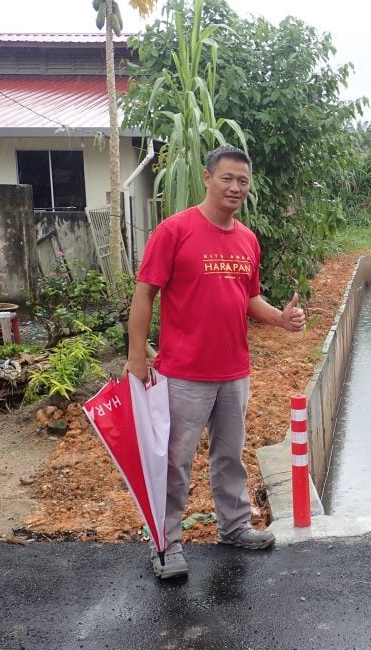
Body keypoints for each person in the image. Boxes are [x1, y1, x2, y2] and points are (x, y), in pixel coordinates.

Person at [125, 145, 306, 579]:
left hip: (233, 371)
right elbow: (145, 293)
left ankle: (235, 526)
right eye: (227, 178)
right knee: (175, 461)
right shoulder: (175, 231)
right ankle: (165, 544)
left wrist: (280, 319)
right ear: (207, 178)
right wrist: (136, 354)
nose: (235, 187)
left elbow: (249, 298)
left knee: (230, 456)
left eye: (242, 180)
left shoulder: (246, 239)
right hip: (183, 373)